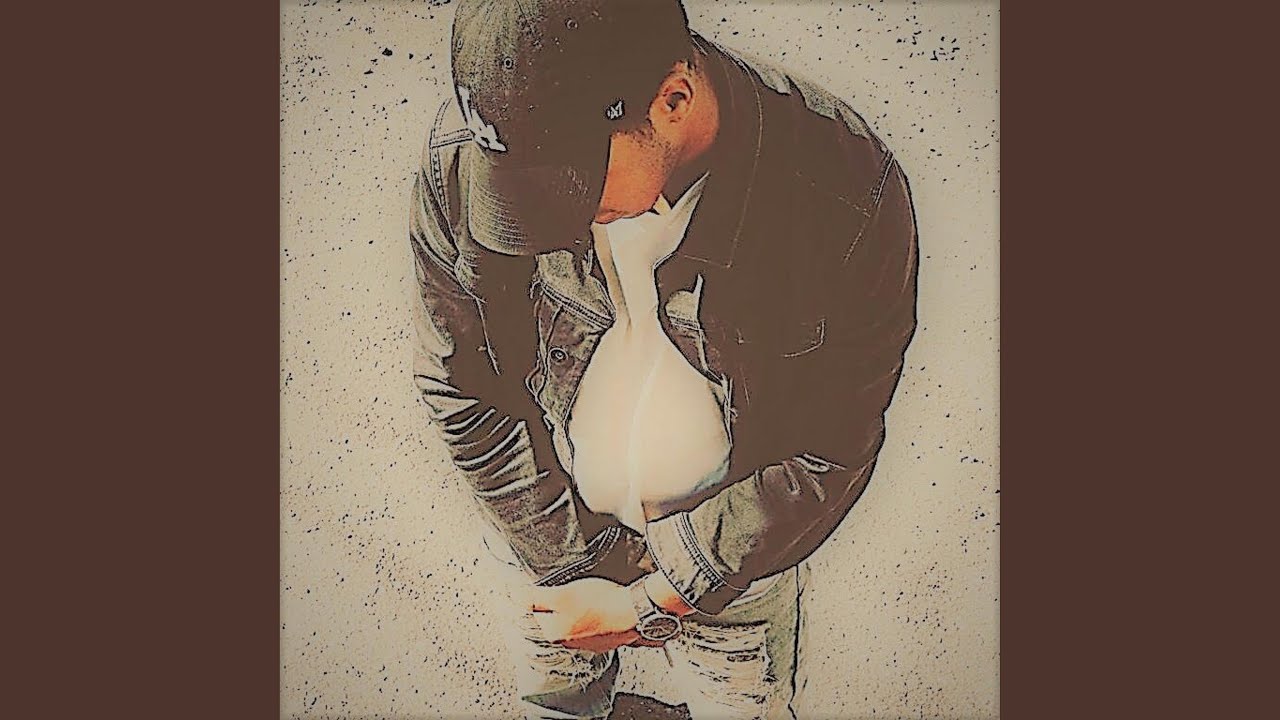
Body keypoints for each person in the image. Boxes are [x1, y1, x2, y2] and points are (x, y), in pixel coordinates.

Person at [407, 0, 919, 717]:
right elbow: (461, 387)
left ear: (673, 100)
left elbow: (832, 445)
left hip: (732, 564)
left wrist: (657, 598)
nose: (547, 219)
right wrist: (570, 564)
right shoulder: (474, 155)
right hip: (544, 530)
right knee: (555, 702)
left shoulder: (845, 194)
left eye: (570, 181)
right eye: (518, 186)